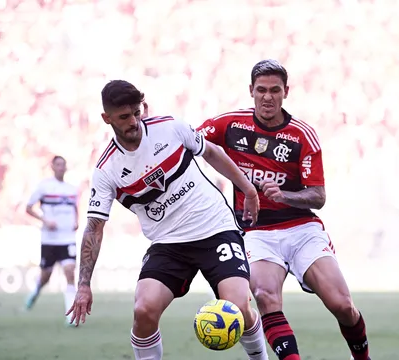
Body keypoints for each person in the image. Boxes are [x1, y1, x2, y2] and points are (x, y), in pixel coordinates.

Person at [66, 80, 269, 360]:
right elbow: (94, 228)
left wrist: (247, 189)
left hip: (215, 229)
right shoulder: (107, 170)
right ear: (107, 118)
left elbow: (211, 152)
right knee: (143, 309)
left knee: (237, 307)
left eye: (137, 113)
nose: (134, 122)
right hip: (169, 244)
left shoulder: (170, 128)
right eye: (124, 117)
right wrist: (84, 285)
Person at [198, 59, 371, 360]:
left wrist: (285, 196)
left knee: (342, 305)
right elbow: (189, 140)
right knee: (265, 296)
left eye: (275, 90)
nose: (268, 97)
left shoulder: (302, 135)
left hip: (302, 229)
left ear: (286, 92)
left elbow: (318, 196)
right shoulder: (229, 124)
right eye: (261, 90)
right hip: (256, 232)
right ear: (251, 91)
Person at [25, 155, 79, 326]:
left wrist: (76, 221)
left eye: (64, 164)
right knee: (46, 276)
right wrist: (45, 221)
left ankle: (70, 316)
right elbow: (28, 208)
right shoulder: (44, 187)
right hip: (49, 239)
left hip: (67, 238)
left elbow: (75, 208)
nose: (61, 167)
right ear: (52, 167)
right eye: (58, 164)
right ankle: (35, 291)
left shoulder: (71, 189)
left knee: (70, 272)